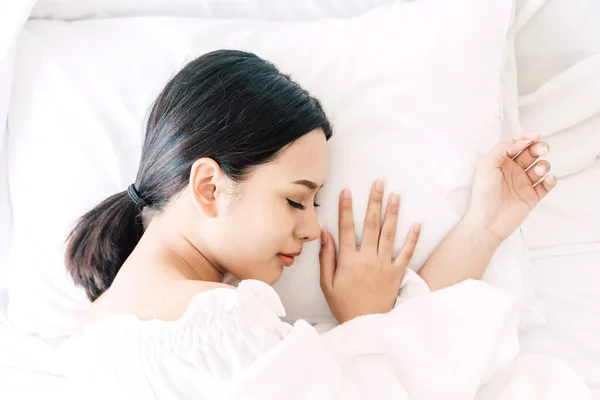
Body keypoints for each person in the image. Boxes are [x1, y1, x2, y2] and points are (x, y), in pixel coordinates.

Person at [65, 50, 555, 377]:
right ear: (209, 186)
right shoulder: (226, 323)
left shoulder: (84, 346)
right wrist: (363, 322)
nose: (313, 229)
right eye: (295, 200)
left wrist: (485, 225)